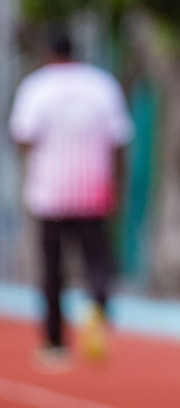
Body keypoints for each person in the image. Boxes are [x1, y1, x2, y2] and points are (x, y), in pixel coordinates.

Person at [8, 28, 133, 368]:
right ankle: (96, 307)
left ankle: (54, 341)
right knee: (98, 262)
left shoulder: (37, 87)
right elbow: (119, 140)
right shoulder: (102, 85)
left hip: (50, 192)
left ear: (47, 54)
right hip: (94, 190)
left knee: (53, 268)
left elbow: (22, 136)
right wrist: (117, 186)